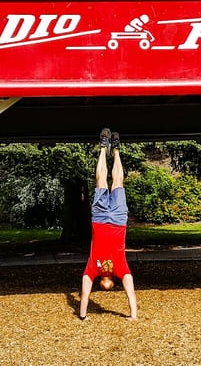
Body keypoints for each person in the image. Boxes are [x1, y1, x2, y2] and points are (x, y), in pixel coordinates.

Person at [79, 128, 138, 321]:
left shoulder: (92, 269)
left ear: (102, 282)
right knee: (117, 182)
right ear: (112, 282)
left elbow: (85, 294)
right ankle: (116, 150)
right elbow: (130, 292)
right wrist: (133, 316)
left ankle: (104, 147)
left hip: (101, 219)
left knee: (102, 181)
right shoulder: (121, 269)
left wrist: (83, 315)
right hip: (118, 221)